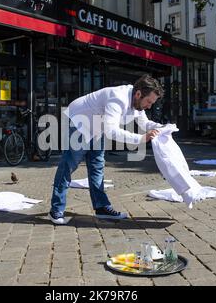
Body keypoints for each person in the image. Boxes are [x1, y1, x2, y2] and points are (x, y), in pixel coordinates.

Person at [48, 74, 165, 225]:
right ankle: (56, 209)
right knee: (69, 165)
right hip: (78, 121)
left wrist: (163, 128)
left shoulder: (137, 100)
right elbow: (112, 131)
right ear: (138, 94)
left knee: (97, 166)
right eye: (148, 102)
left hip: (97, 125)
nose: (149, 106)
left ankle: (101, 207)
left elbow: (144, 122)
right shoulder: (118, 98)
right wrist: (141, 139)